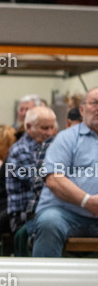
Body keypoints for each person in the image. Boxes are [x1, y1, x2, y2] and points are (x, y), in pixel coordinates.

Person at [31, 89, 98, 257]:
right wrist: (87, 201)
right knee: (49, 222)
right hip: (66, 213)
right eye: (94, 103)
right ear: (82, 110)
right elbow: (54, 180)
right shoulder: (66, 138)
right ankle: (45, 281)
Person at [6, 106, 57, 234]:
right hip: (23, 214)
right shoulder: (21, 151)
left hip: (46, 208)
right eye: (44, 128)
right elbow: (38, 183)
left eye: (52, 128)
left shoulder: (51, 146)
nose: (50, 133)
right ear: (28, 127)